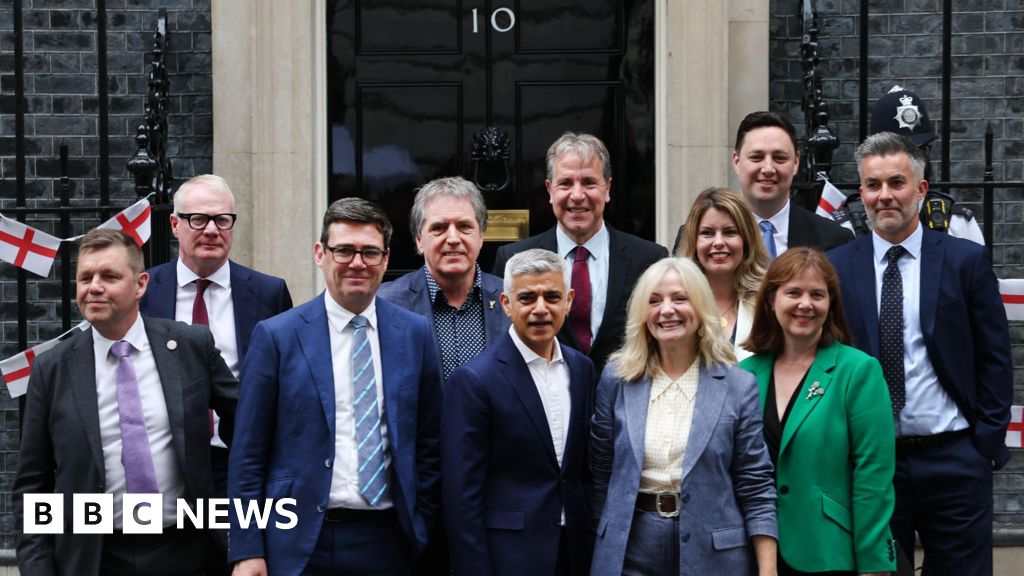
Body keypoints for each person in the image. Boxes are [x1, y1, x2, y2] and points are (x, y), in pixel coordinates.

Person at [828, 132, 1012, 576]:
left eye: (896, 183)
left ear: (921, 189)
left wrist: (984, 443)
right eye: (873, 186)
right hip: (873, 461)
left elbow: (995, 355)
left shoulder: (964, 261)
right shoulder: (836, 267)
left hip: (954, 459)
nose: (884, 196)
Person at [227, 198, 442, 575]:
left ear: (386, 259)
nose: (357, 263)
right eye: (344, 250)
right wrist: (247, 549)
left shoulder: (414, 333)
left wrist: (422, 522)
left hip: (390, 540)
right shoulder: (277, 336)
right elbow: (249, 453)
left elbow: (429, 440)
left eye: (369, 252)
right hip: (298, 545)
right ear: (319, 253)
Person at [15, 228, 238, 576]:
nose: (94, 287)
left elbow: (248, 433)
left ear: (140, 284)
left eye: (110, 276)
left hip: (188, 550)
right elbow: (32, 483)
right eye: (85, 277)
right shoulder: (52, 368)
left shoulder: (190, 346)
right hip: (95, 556)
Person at [589, 257, 777, 576]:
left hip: (715, 553)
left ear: (701, 308)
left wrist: (768, 569)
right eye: (654, 300)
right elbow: (601, 472)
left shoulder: (738, 385)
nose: (667, 310)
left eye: (679, 298)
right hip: (630, 549)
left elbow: (754, 483)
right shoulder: (617, 378)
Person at [741, 248, 896, 575]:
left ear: (831, 304)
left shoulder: (858, 371)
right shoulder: (744, 375)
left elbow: (873, 475)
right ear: (771, 299)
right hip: (753, 551)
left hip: (828, 551)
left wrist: (874, 562)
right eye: (793, 292)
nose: (805, 304)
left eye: (817, 295)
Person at [444, 248, 595, 576]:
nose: (541, 309)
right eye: (527, 298)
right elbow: (462, 498)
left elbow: (580, 471)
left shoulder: (582, 370)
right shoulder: (474, 381)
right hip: (509, 557)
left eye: (552, 297)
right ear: (507, 304)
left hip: (576, 553)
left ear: (569, 301)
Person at [140, 173, 293, 497]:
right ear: (174, 224)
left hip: (241, 461)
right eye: (198, 219)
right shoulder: (145, 292)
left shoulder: (269, 293)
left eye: (222, 219)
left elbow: (285, 381)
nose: (211, 230)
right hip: (165, 464)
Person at [492, 132, 668, 372]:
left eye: (588, 182)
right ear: (549, 190)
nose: (577, 195)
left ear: (607, 189)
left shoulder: (649, 259)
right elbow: (503, 344)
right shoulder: (512, 259)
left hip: (623, 403)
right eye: (565, 183)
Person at [378, 175, 510, 385]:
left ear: (481, 237)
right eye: (438, 228)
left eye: (464, 226)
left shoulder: (512, 298)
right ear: (419, 240)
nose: (453, 238)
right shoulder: (385, 303)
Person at [731, 111, 852, 257]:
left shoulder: (835, 241)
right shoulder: (711, 241)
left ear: (796, 162)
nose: (768, 169)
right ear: (737, 162)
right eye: (756, 157)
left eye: (779, 158)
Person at [676, 187, 770, 361]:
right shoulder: (674, 303)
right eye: (707, 233)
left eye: (729, 232)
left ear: (747, 240)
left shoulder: (769, 303)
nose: (718, 242)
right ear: (694, 241)